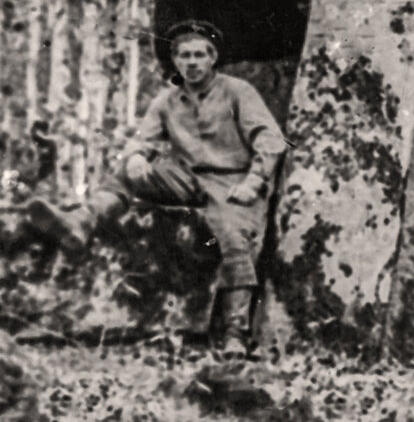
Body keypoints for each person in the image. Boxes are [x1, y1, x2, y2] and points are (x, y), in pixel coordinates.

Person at [25, 20, 288, 359]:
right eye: (184, 56)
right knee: (126, 170)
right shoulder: (167, 101)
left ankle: (235, 333)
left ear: (212, 58)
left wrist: (254, 182)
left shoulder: (237, 92)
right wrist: (135, 157)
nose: (191, 63)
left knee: (235, 238)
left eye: (198, 55)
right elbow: (142, 140)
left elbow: (270, 139)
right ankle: (83, 220)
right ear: (176, 61)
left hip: (232, 180)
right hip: (185, 178)